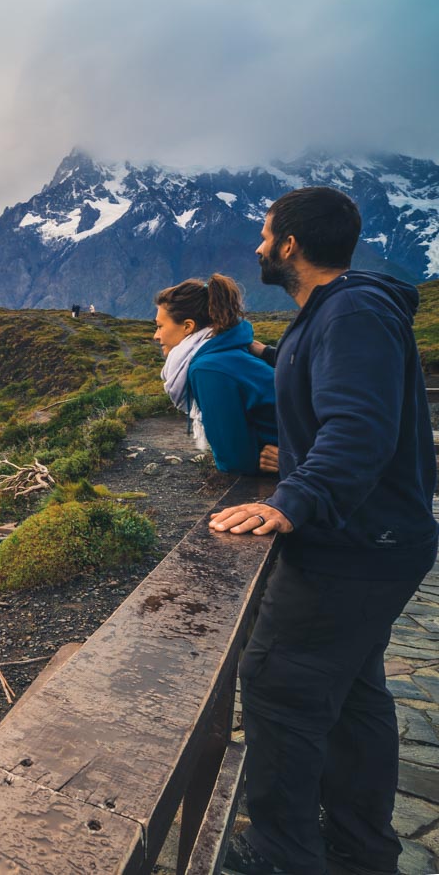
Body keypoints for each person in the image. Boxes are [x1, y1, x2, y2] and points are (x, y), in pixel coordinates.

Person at [210, 187, 437, 875]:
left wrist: (297, 495)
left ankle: (283, 855)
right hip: (375, 539)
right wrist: (295, 457)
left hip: (357, 544)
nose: (256, 246)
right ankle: (360, 849)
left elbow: (360, 428)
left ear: (289, 246)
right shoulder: (339, 311)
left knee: (278, 679)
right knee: (353, 690)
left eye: (264, 233)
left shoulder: (355, 312)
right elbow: (339, 414)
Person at [153, 273, 278, 475]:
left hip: (320, 458)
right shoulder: (224, 353)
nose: (156, 335)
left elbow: (235, 462)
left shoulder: (208, 368)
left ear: (187, 326)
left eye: (160, 326)